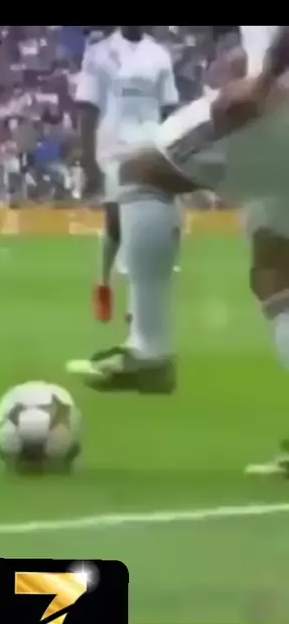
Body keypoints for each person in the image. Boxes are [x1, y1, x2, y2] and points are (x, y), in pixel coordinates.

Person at [72, 27, 289, 473]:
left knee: (141, 172)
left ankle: (149, 350)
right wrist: (250, 58)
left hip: (278, 104)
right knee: (275, 270)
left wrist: (265, 76)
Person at [75, 26, 180, 339]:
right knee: (116, 222)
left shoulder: (159, 55)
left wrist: (174, 150)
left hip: (150, 145)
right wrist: (88, 160)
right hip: (113, 147)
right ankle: (103, 283)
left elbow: (169, 108)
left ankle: (136, 306)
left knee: (145, 225)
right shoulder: (99, 54)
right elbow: (87, 108)